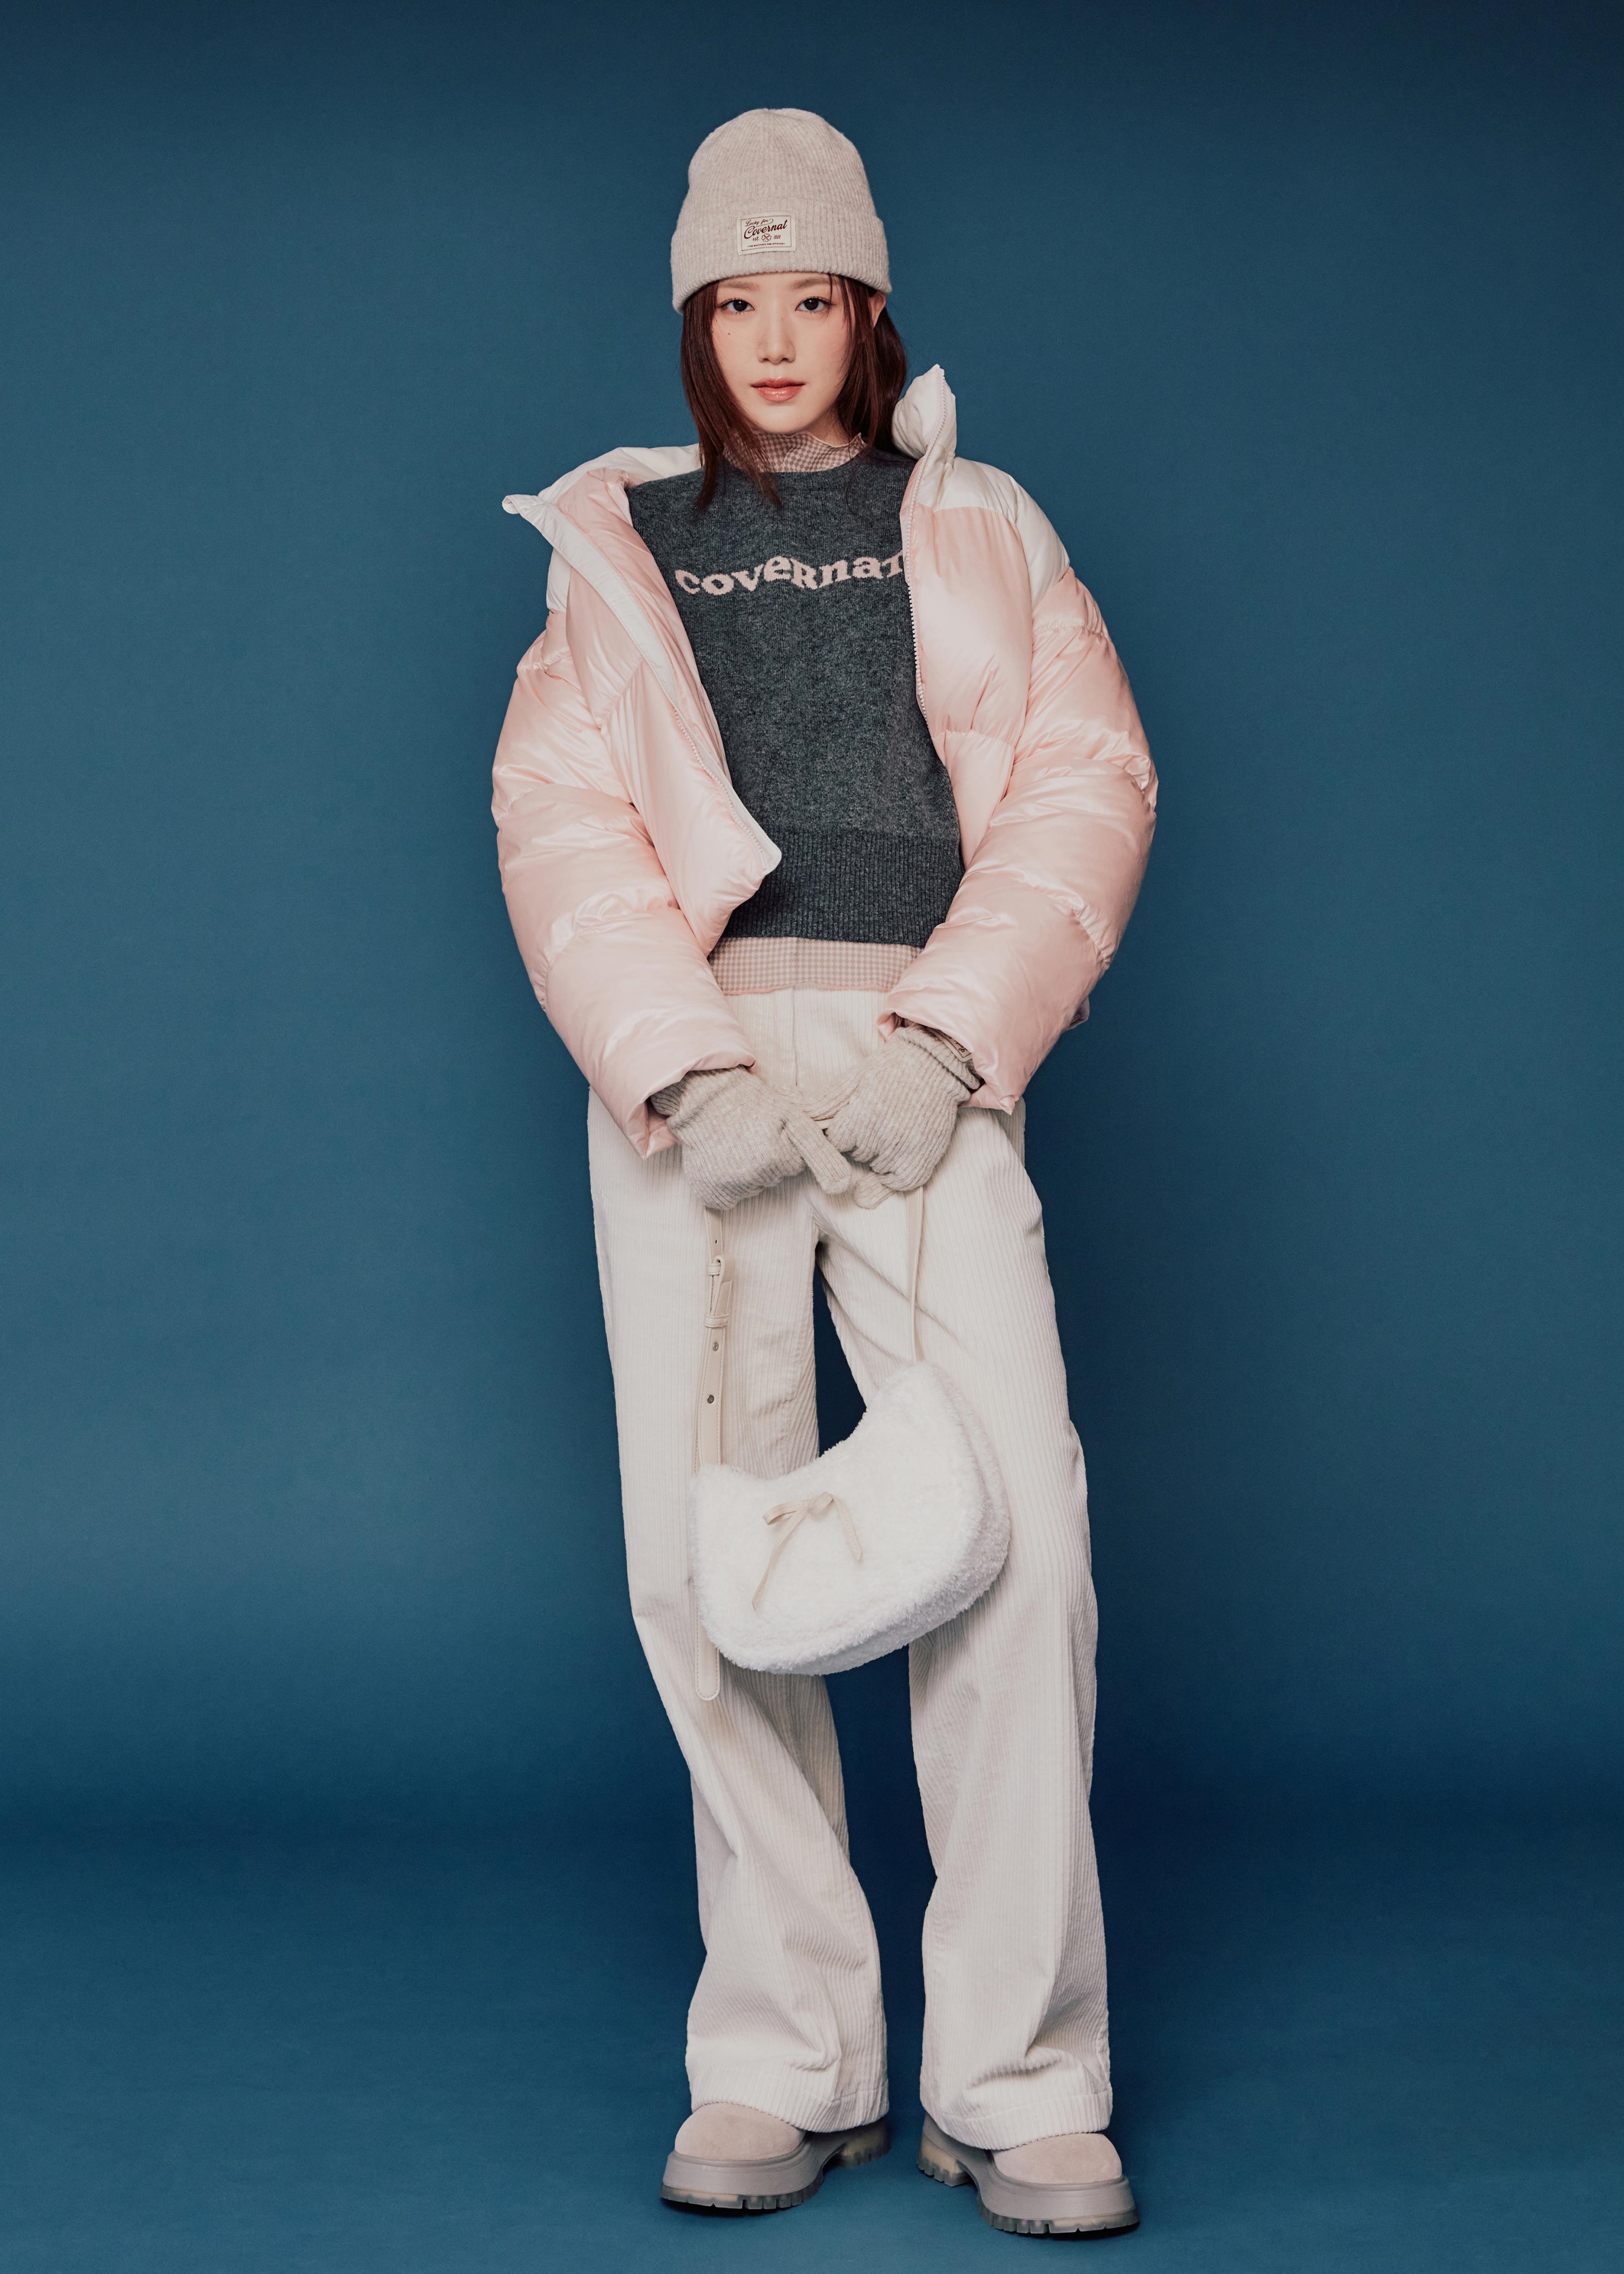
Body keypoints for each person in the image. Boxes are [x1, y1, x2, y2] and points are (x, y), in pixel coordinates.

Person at [492, 108, 1156, 2237]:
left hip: (923, 1053)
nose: (774, 341)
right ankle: (792, 2061)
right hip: (699, 1084)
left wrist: (953, 1039)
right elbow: (565, 830)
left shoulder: (977, 521)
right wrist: (686, 1072)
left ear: (868, 310)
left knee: (1021, 1546)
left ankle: (1017, 2076)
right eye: (734, 303)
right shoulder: (616, 541)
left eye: (812, 298)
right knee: (712, 1565)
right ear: (695, 323)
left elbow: (1083, 784)